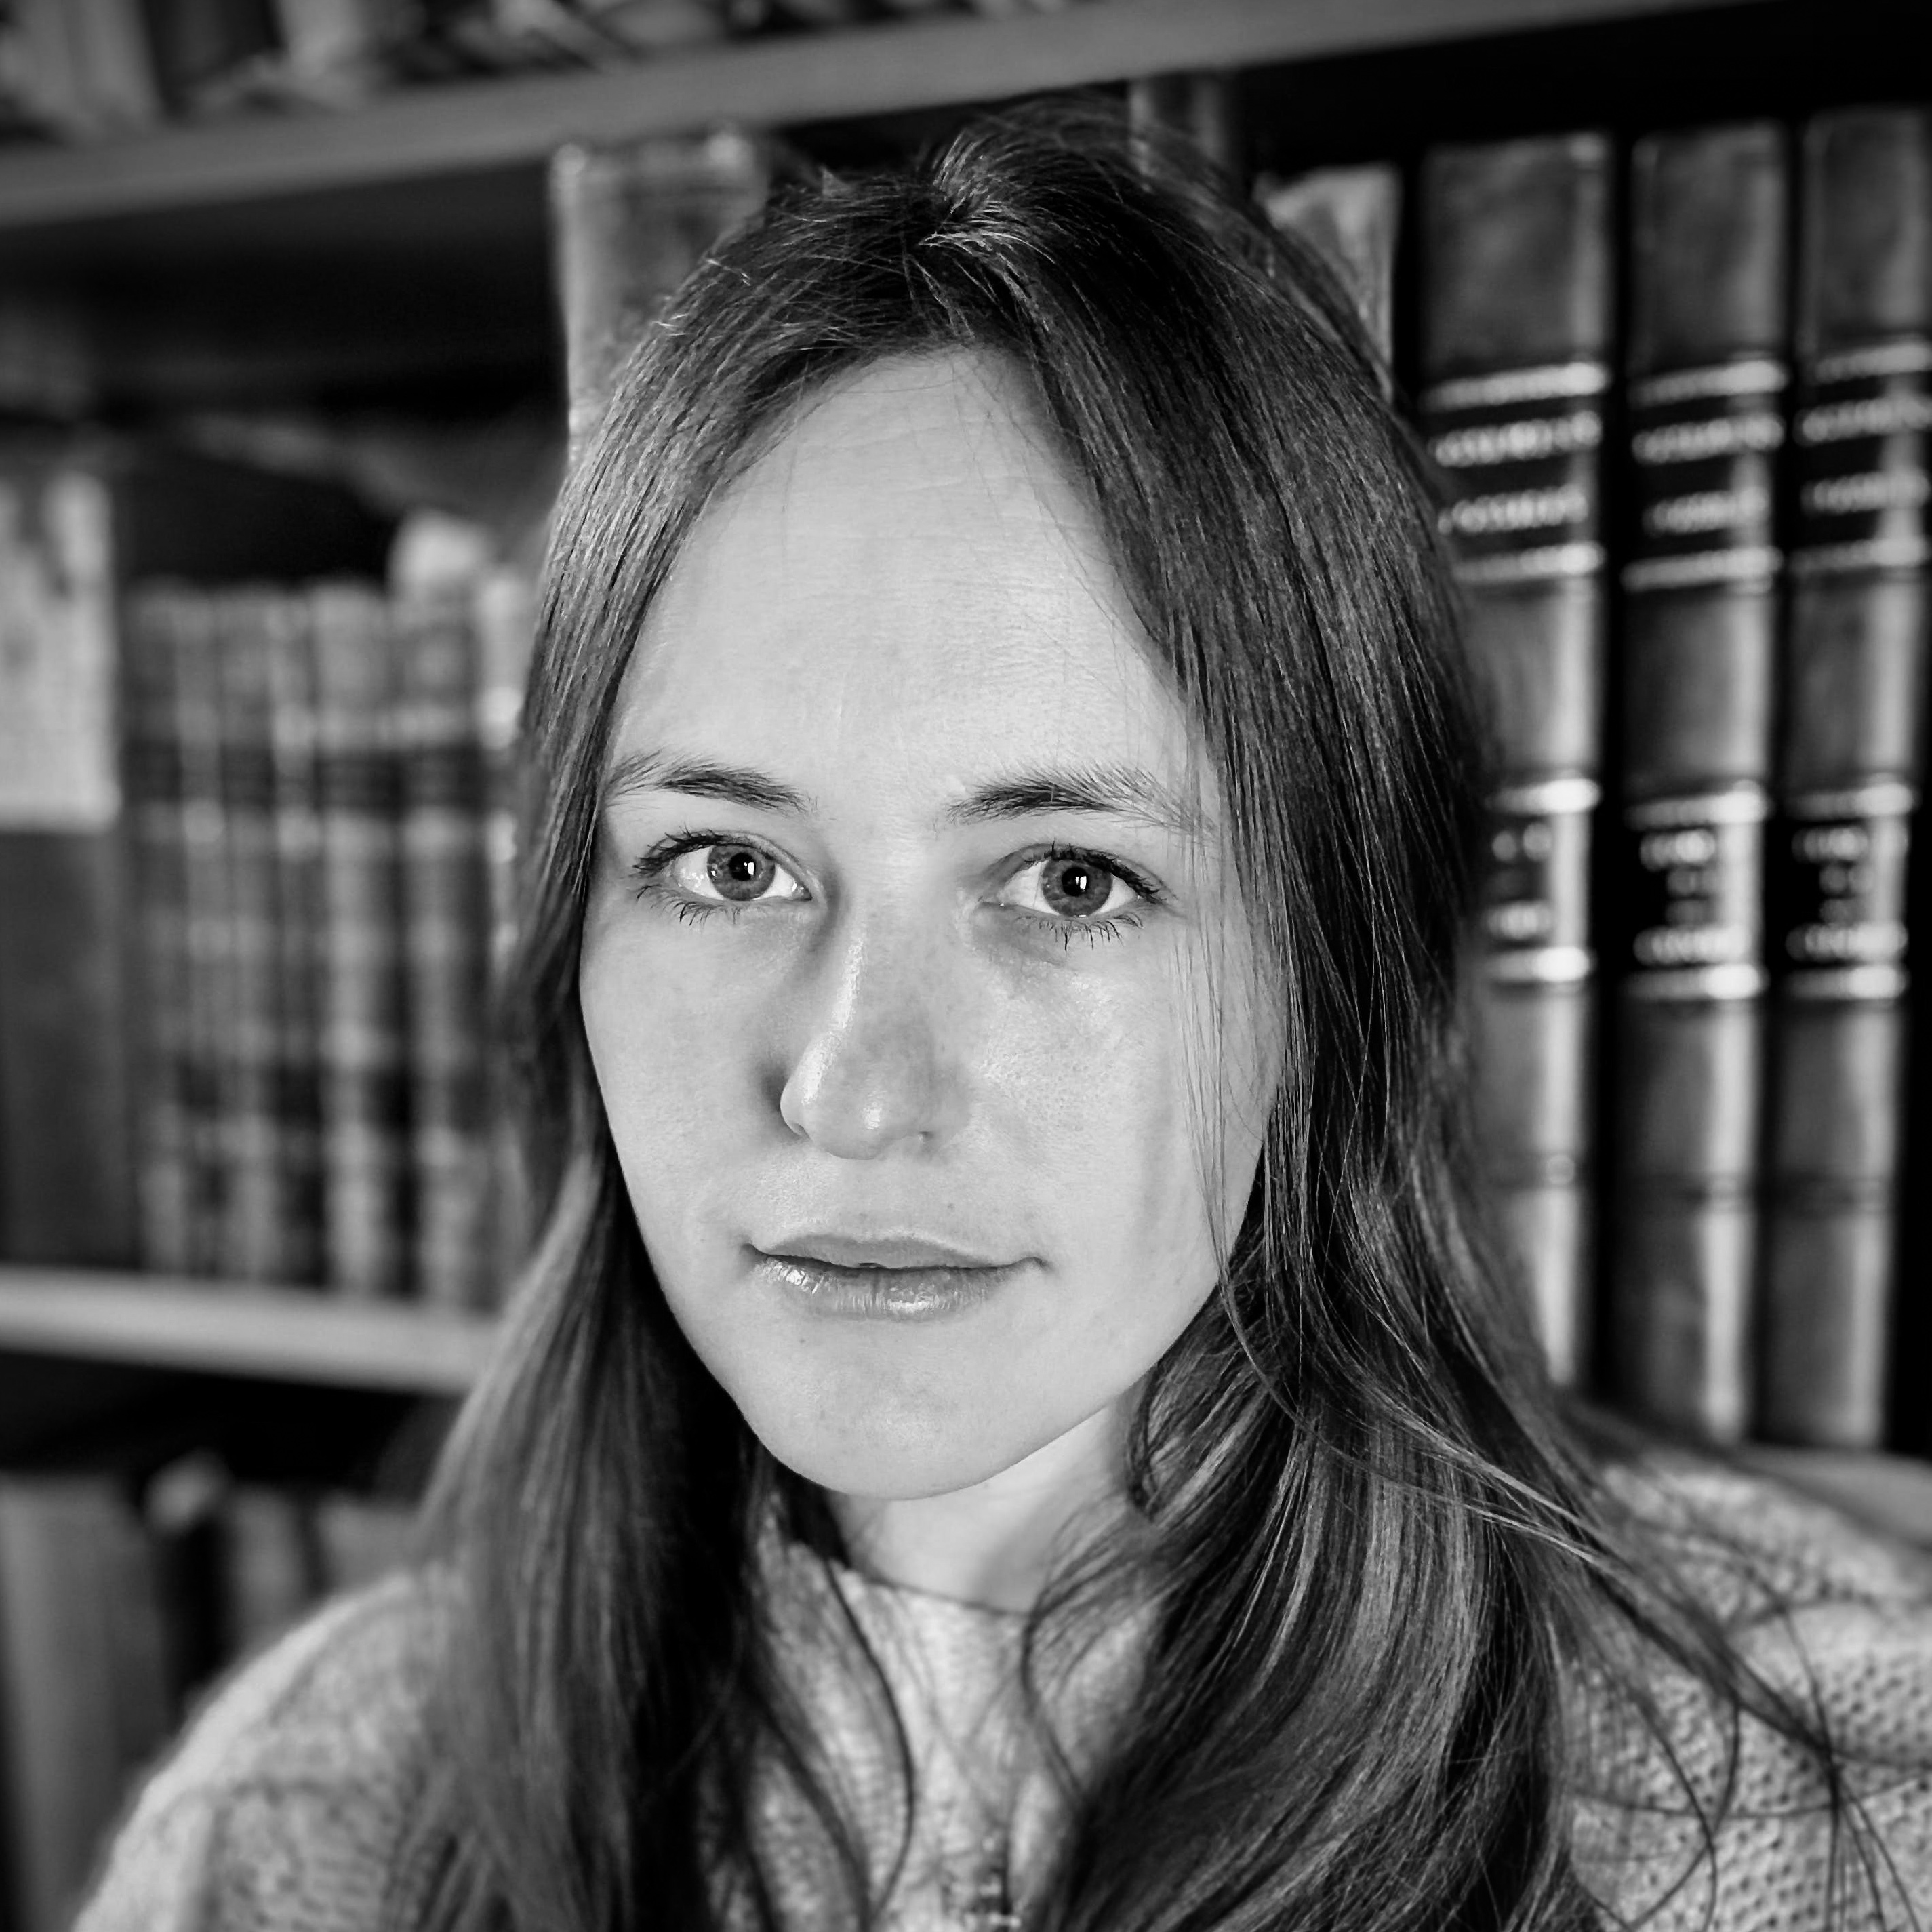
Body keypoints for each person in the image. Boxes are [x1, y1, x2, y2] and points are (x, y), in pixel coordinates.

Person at [80, 104, 1932, 1932]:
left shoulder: (1823, 1816)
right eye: (729, 863)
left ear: (1333, 964)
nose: (850, 1090)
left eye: (1069, 880)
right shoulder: (309, 1817)